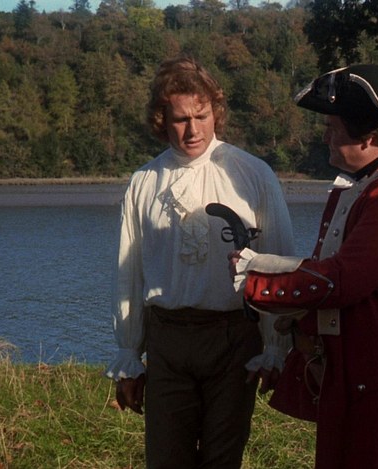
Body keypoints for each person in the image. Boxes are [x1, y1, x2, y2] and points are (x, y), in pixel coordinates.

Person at [229, 64, 378, 469]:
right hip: (371, 380)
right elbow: (340, 271)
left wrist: (255, 280)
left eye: (333, 127)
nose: (325, 137)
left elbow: (343, 280)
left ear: (367, 137)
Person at [104, 55, 295, 468]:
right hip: (168, 341)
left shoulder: (253, 174)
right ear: (162, 120)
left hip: (233, 339)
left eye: (201, 116)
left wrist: (275, 347)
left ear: (215, 113)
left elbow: (276, 261)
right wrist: (129, 355)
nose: (192, 130)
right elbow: (128, 274)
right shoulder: (144, 183)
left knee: (222, 459)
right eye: (180, 119)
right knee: (166, 459)